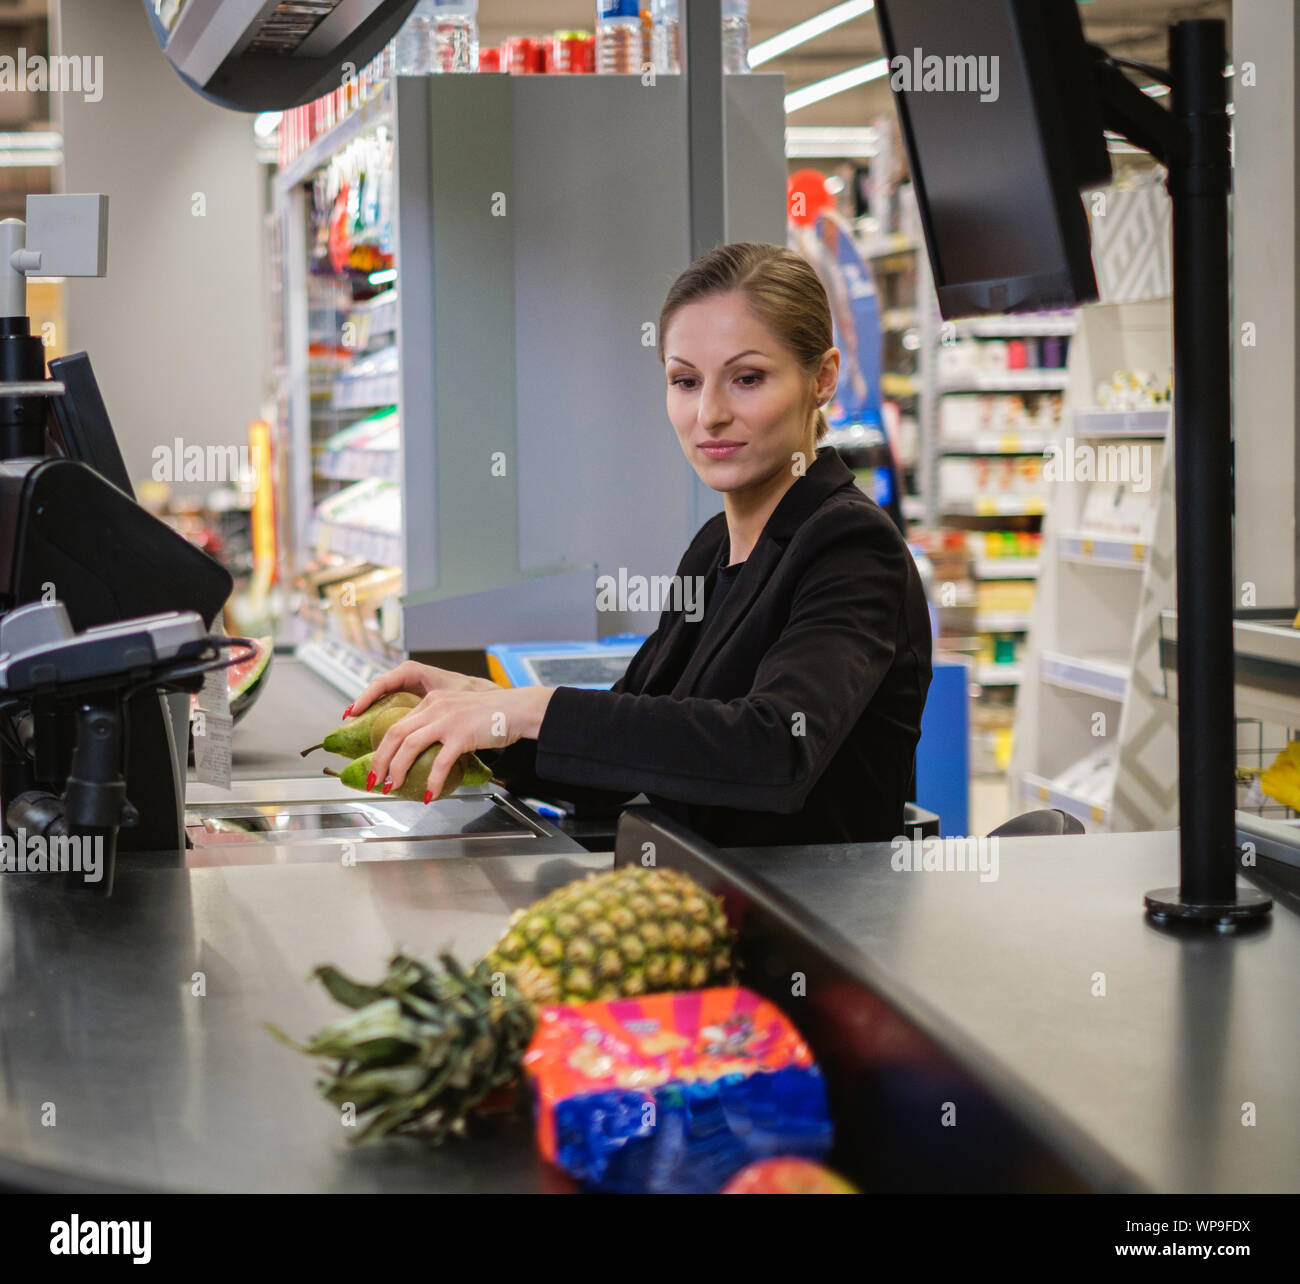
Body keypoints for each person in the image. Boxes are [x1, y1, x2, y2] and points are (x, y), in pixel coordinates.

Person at [346, 241, 932, 846]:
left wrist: (533, 708)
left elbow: (775, 748)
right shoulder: (714, 548)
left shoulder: (851, 546)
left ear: (823, 378)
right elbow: (614, 769)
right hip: (701, 900)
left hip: (816, 924)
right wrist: (488, 712)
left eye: (748, 378)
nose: (709, 413)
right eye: (685, 381)